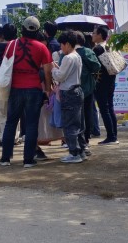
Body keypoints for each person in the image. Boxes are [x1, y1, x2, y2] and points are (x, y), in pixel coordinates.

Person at [0, 17, 52, 168]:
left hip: (15, 88)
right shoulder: (42, 48)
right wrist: (47, 90)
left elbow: (6, 66)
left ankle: (5, 158)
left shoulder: (11, 45)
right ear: (37, 31)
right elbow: (48, 72)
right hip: (34, 89)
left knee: (11, 123)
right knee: (31, 124)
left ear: (22, 28)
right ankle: (28, 159)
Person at [52, 31, 85, 164]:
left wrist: (53, 70)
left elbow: (60, 76)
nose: (61, 47)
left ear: (67, 44)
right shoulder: (76, 56)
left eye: (62, 45)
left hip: (69, 92)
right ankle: (81, 151)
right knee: (78, 124)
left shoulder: (68, 57)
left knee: (69, 124)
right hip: (77, 90)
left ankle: (74, 153)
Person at [92, 26, 119, 145]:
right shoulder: (110, 45)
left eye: (94, 33)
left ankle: (111, 136)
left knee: (104, 109)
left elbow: (93, 65)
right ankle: (114, 135)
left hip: (101, 81)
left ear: (99, 35)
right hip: (111, 79)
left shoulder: (98, 48)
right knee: (110, 108)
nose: (92, 35)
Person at [74, 31, 101, 145]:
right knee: (87, 112)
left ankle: (76, 138)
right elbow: (97, 66)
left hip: (73, 89)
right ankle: (86, 138)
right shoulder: (88, 52)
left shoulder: (67, 54)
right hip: (88, 88)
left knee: (75, 114)